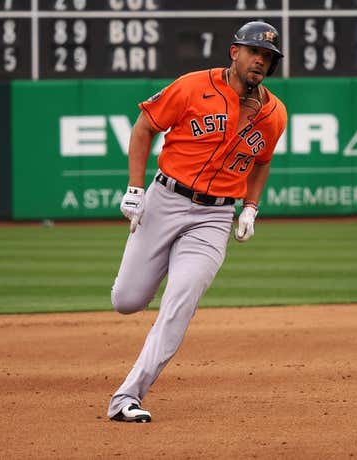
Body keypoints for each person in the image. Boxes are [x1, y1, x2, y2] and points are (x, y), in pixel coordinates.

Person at [107, 21, 288, 423]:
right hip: (165, 199)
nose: (261, 61)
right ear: (234, 52)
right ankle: (156, 266)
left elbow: (262, 162)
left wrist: (251, 207)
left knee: (181, 301)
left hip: (214, 216)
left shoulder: (274, 113)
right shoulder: (192, 86)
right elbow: (144, 127)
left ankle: (127, 397)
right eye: (254, 52)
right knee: (127, 300)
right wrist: (135, 190)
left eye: (269, 57)